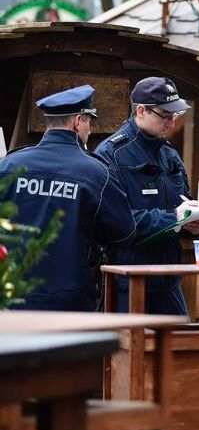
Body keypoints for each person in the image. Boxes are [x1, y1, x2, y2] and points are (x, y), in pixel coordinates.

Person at [0, 85, 136, 311]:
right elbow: (125, 232)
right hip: (71, 300)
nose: (90, 129)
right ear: (78, 121)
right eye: (89, 121)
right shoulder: (96, 173)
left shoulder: (9, 165)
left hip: (14, 296)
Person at [95, 77, 199, 315]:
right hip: (126, 280)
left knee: (178, 349)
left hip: (167, 281)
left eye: (175, 116)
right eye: (165, 115)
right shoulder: (111, 154)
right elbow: (115, 222)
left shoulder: (169, 155)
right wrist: (173, 218)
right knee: (127, 352)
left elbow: (181, 206)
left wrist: (193, 223)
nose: (172, 123)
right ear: (141, 111)